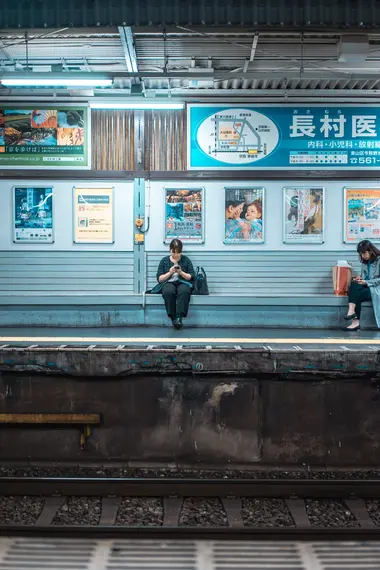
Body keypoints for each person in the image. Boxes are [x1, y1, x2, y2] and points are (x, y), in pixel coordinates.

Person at [156, 239, 195, 330]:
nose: (176, 255)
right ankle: (173, 317)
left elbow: (191, 277)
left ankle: (179, 317)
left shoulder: (186, 260)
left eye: (178, 252)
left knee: (184, 291)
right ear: (170, 250)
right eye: (173, 252)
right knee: (168, 291)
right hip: (168, 282)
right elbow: (160, 279)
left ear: (181, 251)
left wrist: (181, 272)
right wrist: (169, 273)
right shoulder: (164, 261)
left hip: (183, 282)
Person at [344, 239, 380, 331]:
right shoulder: (364, 262)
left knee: (356, 294)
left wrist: (366, 282)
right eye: (361, 254)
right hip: (367, 286)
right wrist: (360, 278)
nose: (362, 256)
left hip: (376, 288)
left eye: (364, 253)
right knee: (354, 285)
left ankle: (355, 321)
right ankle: (351, 311)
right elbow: (365, 276)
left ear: (370, 251)